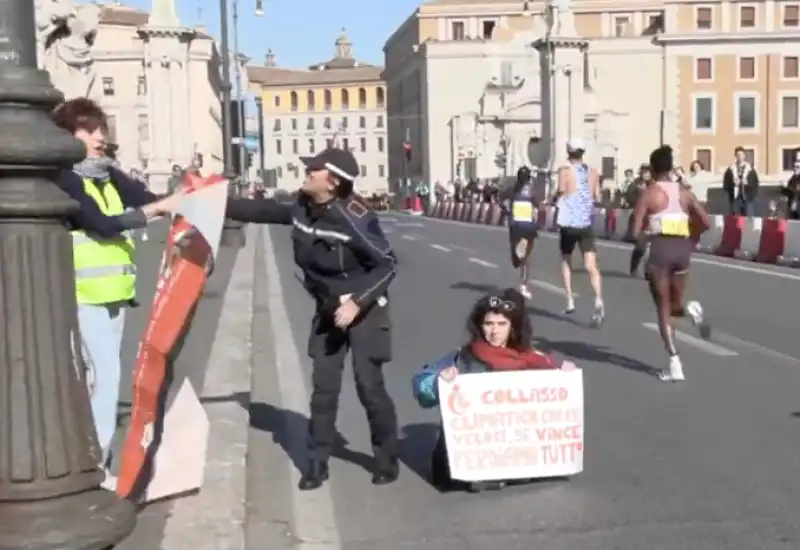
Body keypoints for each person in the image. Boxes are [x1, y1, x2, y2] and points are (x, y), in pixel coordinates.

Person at [225, 147, 400, 490]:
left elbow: (388, 263)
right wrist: (212, 202)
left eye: (314, 169)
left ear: (332, 181)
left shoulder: (355, 216)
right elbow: (263, 210)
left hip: (364, 307)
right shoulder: (302, 207)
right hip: (328, 307)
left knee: (369, 386)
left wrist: (357, 303)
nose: (306, 172)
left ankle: (385, 458)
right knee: (323, 390)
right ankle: (316, 464)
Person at [52, 98, 182, 468]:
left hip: (116, 293)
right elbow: (102, 223)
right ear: (68, 135)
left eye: (101, 130)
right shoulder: (64, 178)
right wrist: (155, 210)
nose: (99, 137)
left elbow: (148, 199)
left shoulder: (108, 173)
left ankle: (91, 453)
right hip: (83, 294)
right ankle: (99, 461)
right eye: (89, 130)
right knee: (108, 375)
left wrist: (186, 198)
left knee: (100, 376)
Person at [411, 288, 576, 492]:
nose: (494, 331)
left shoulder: (531, 357)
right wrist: (439, 381)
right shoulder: (463, 357)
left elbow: (554, 388)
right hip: (465, 464)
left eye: (501, 324)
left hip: (519, 458)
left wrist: (565, 375)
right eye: (488, 324)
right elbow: (421, 387)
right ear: (479, 326)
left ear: (513, 326)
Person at [632, 145, 711, 383]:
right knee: (675, 303)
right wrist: (693, 237)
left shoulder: (650, 193)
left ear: (653, 169)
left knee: (664, 308)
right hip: (682, 251)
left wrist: (644, 243)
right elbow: (706, 222)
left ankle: (675, 363)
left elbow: (635, 231)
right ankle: (689, 309)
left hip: (660, 251)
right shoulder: (685, 192)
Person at [553, 138, 604, 325]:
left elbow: (561, 191)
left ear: (569, 152)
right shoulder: (593, 172)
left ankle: (569, 300)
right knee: (591, 265)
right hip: (586, 222)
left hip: (568, 223)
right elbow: (597, 195)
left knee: (566, 259)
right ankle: (598, 299)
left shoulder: (565, 171)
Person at [503, 166, 539, 299]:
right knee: (521, 258)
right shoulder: (515, 190)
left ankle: (523, 284)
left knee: (524, 257)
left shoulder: (529, 191)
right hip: (521, 225)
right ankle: (523, 282)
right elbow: (537, 207)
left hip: (523, 226)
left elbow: (535, 207)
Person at [628, 165, 654, 276]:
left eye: (648, 173)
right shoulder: (635, 184)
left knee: (652, 247)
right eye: (644, 173)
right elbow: (629, 197)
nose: (646, 175)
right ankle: (634, 267)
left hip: (652, 217)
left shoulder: (654, 186)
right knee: (640, 246)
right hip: (639, 217)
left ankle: (648, 271)